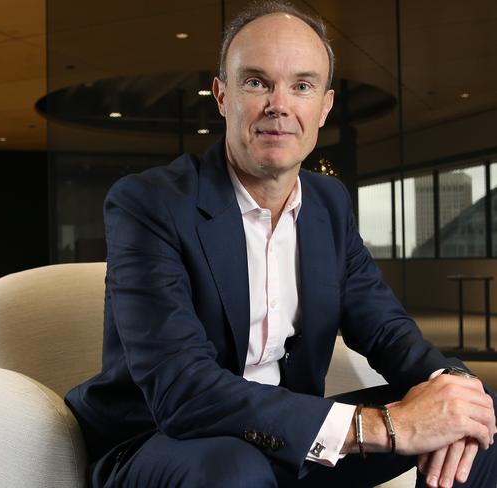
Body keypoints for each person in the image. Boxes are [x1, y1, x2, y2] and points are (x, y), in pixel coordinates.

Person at [65, 1, 497, 486]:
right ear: (222, 95)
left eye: (302, 85)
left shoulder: (329, 203)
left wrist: (451, 390)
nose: (279, 105)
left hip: (291, 435)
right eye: (256, 82)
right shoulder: (149, 203)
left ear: (324, 107)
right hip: (168, 442)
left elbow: (386, 330)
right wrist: (388, 427)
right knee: (237, 469)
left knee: (473, 411)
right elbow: (182, 390)